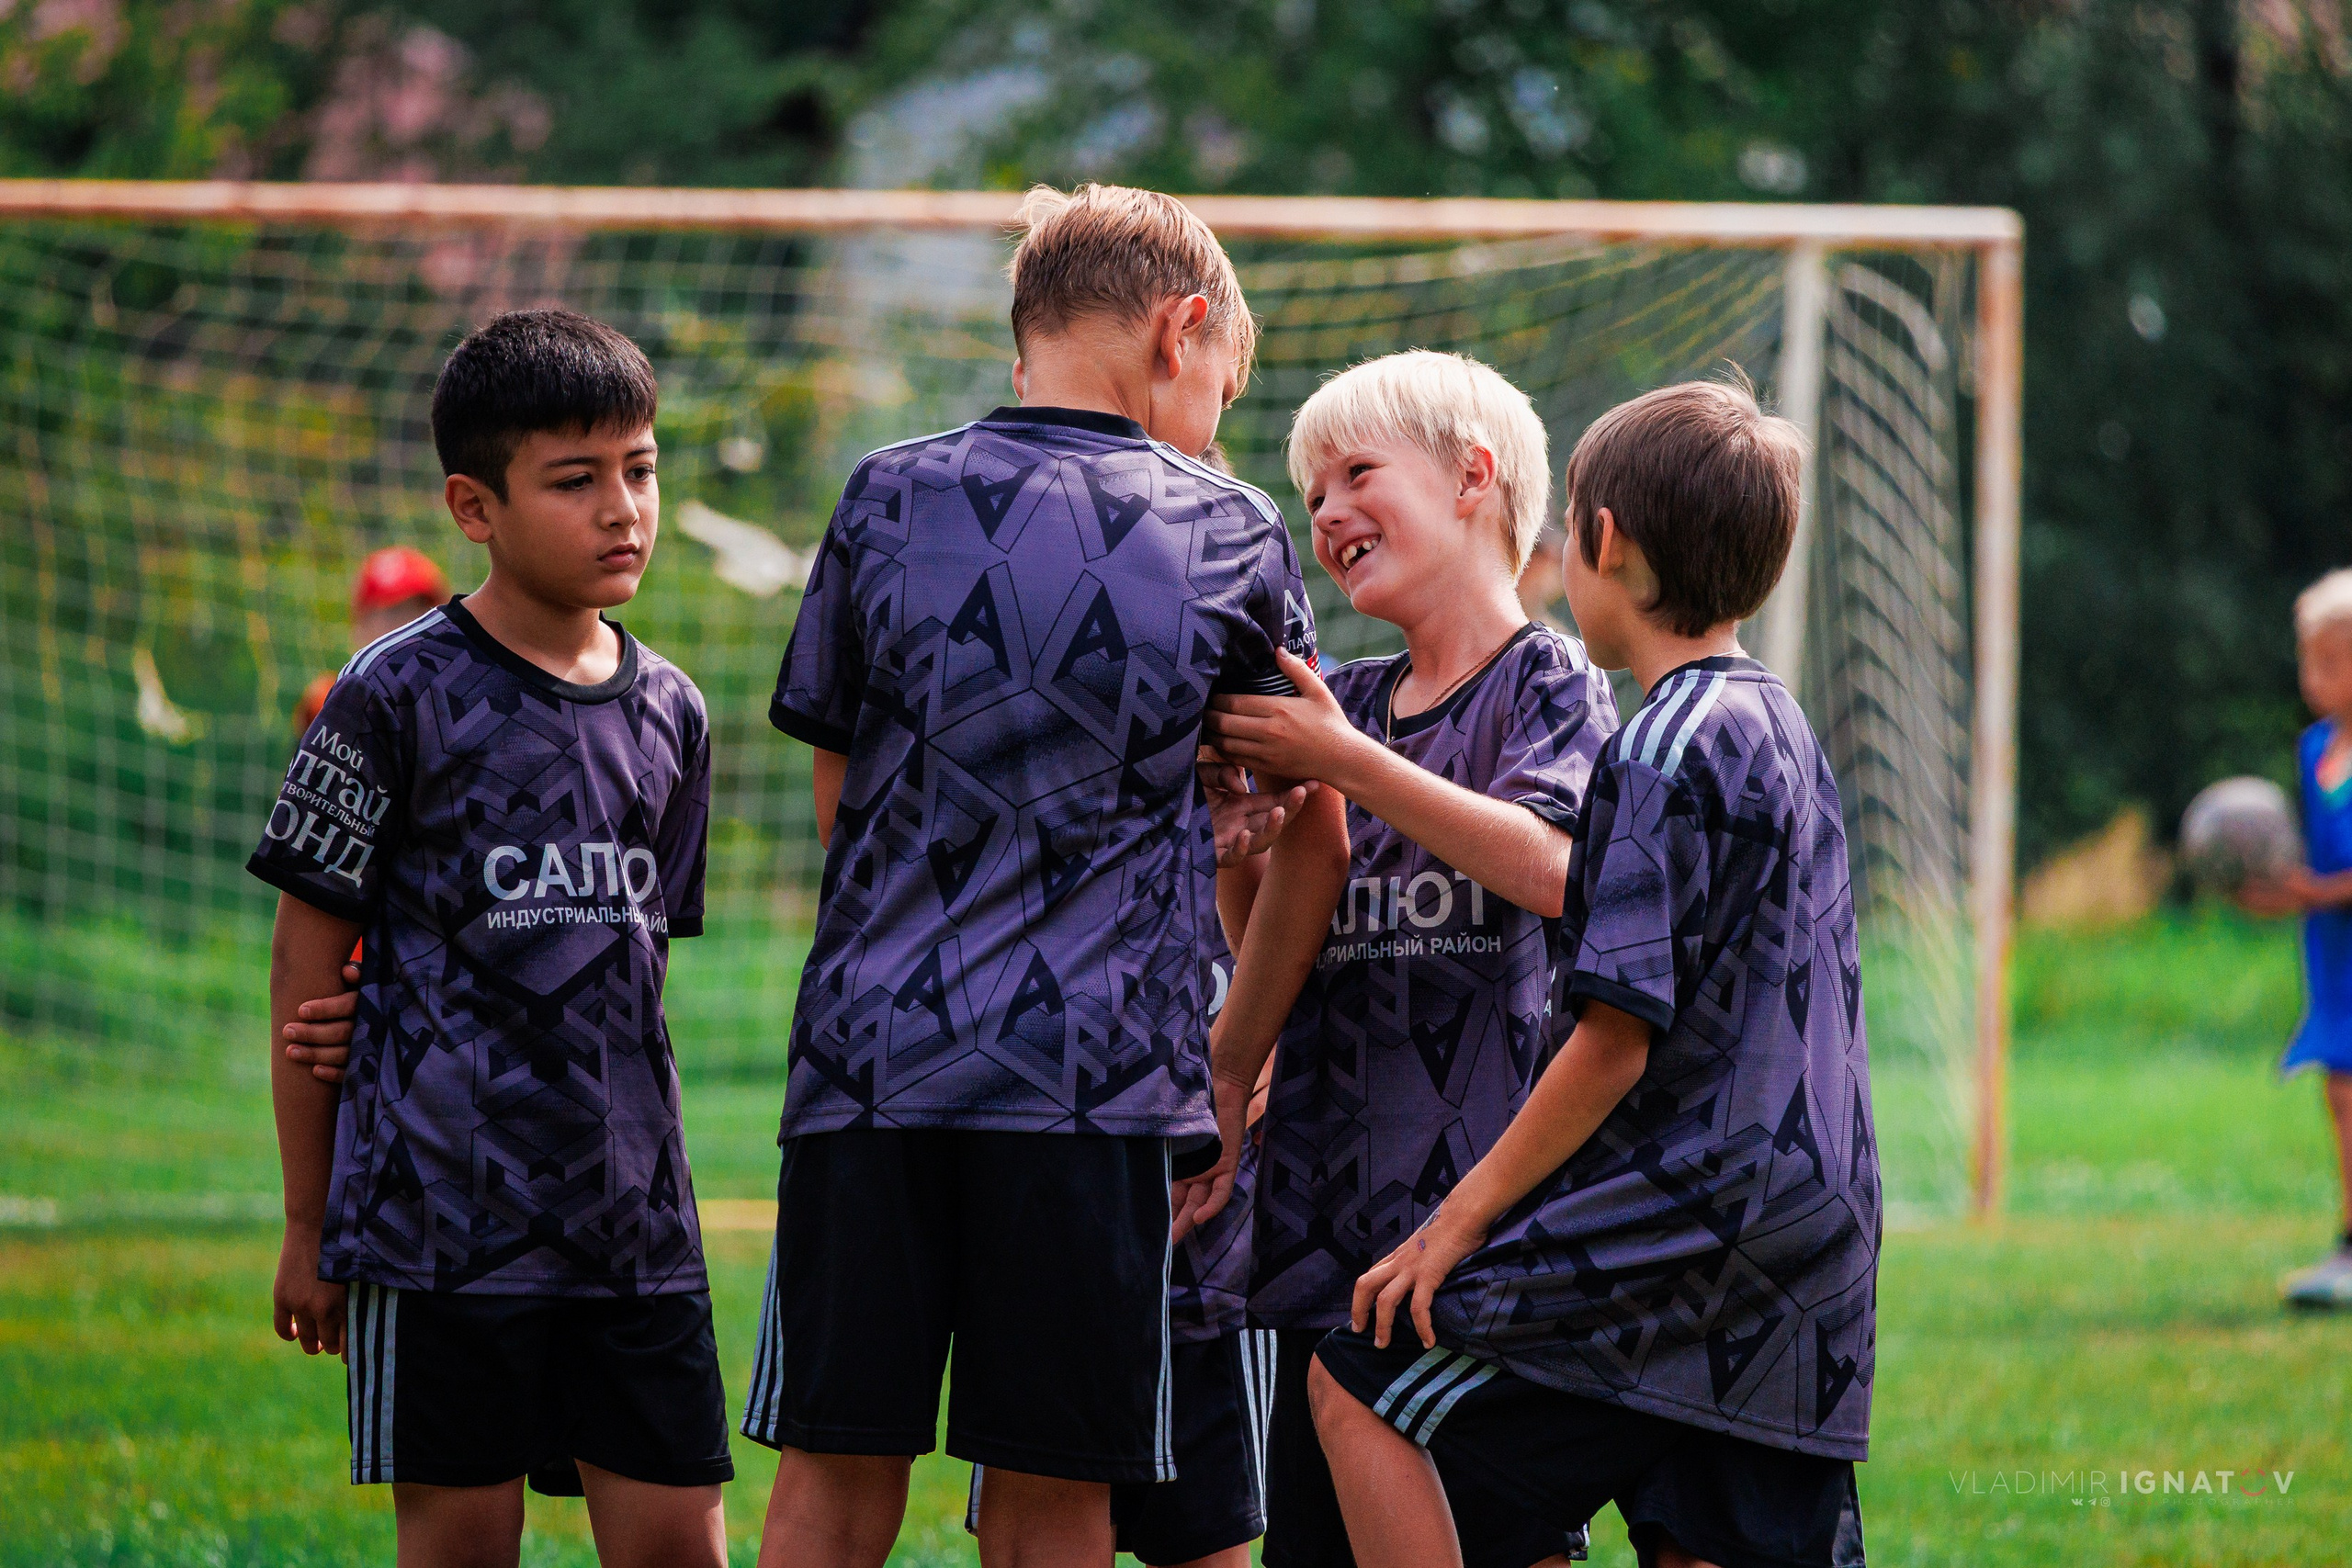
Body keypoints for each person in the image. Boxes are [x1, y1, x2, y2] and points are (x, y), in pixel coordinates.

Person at [742, 182, 1349, 1568]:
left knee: (831, 1480)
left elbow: (842, 797)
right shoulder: (1229, 528)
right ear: (1180, 330)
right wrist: (1231, 1064)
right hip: (1095, 1086)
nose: (1214, 422)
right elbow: (1309, 816)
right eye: (1221, 387)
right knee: (1054, 1492)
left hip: (871, 1065)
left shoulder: (884, 492)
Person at [1305, 376, 1875, 1568]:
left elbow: (1616, 1035)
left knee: (1360, 1384)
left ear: (1602, 542)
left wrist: (1456, 1224)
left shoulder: (1657, 747)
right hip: (1812, 1235)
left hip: (1678, 1220)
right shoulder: (1781, 725)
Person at [246, 308, 731, 1568]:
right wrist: (309, 1221)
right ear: (475, 506)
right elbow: (306, 966)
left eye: (640, 468)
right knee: (460, 1544)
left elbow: (635, 969)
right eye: (575, 480)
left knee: (680, 1544)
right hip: (437, 1226)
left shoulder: (674, 710)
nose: (622, 508)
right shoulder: (388, 694)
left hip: (635, 1228)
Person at [1192, 350, 1618, 1568]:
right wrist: (1241, 844)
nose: (1326, 513)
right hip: (1322, 1234)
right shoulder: (1349, 698)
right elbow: (1272, 945)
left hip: (1481, 1237)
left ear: (1474, 478)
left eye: (1357, 474)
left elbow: (1553, 868)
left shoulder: (1550, 683)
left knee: (1504, 1538)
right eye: (1312, 494)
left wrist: (1348, 765)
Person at [2244, 569, 2352, 1308]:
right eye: (2309, 660)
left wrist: (2311, 890)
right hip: (2333, 958)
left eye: (2332, 661)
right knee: (2340, 1094)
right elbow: (2310, 862)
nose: (2314, 677)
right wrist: (2271, 892)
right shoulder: (2315, 749)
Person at [292, 546, 454, 732]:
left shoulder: (467, 699)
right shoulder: (330, 706)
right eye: (394, 612)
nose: (411, 625)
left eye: (422, 612)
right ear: (361, 626)